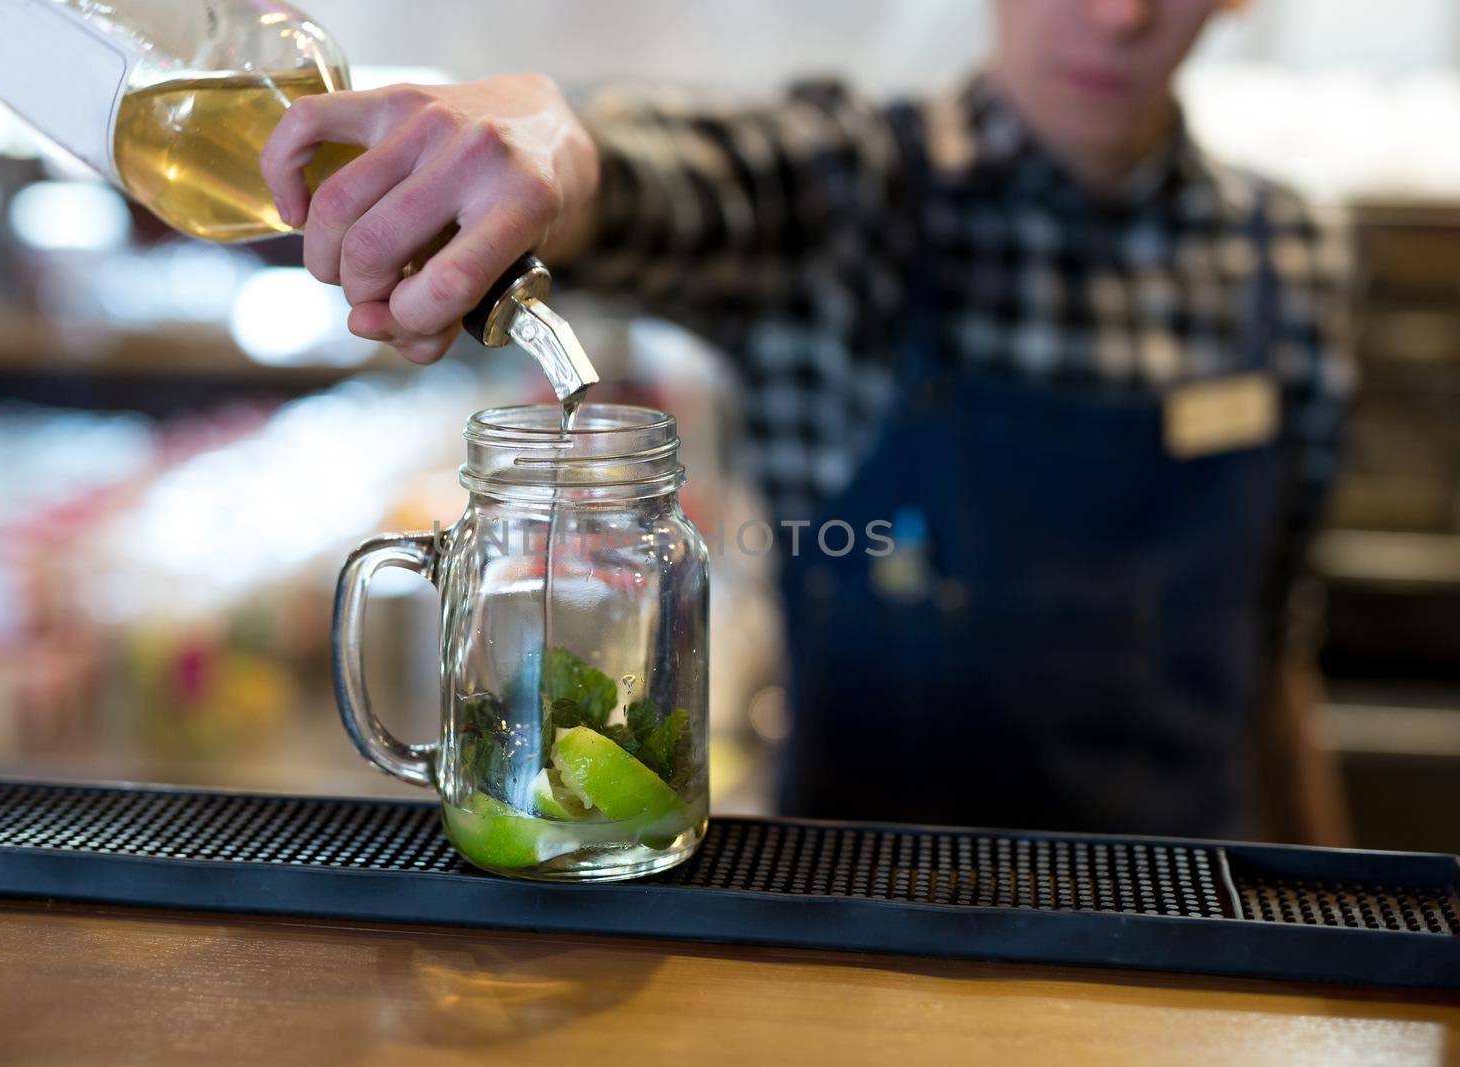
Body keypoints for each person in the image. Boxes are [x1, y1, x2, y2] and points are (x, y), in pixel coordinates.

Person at [261, 0, 1352, 839]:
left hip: (1185, 922)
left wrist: (1333, 926)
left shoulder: (1290, 257)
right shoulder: (853, 196)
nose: (1118, 15)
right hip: (868, 921)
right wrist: (558, 147)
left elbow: (1274, 649)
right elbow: (681, 180)